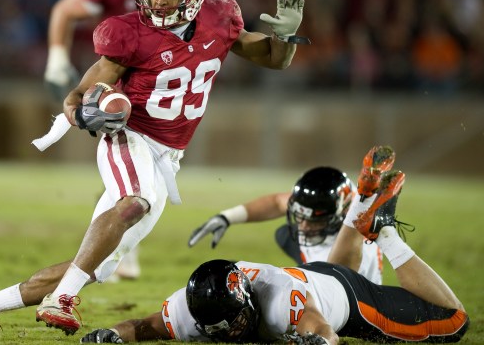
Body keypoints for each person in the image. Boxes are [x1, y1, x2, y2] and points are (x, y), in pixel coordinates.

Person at [0, 0, 310, 341]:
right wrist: (85, 116)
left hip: (168, 155)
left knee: (100, 263)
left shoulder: (220, 17)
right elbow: (75, 98)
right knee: (136, 199)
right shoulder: (130, 33)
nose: (159, 1)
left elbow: (274, 59)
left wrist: (285, 36)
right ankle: (63, 299)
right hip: (128, 135)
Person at [79, 146, 470, 344]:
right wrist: (110, 334)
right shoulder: (190, 306)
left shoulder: (283, 304)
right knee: (318, 256)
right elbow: (142, 327)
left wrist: (316, 340)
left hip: (348, 299)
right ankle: (363, 207)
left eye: (233, 323)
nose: (230, 335)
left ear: (247, 300)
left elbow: (325, 333)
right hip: (319, 271)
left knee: (454, 322)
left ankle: (385, 233)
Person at [43, 0, 218, 281]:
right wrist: (57, 60)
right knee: (133, 185)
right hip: (117, 73)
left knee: (132, 187)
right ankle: (98, 260)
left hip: (161, 75)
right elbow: (64, 10)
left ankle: (106, 254)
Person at [188, 163, 385, 284]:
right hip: (328, 266)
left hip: (344, 290)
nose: (303, 227)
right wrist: (227, 217)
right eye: (301, 217)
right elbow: (277, 202)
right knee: (284, 233)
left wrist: (245, 273)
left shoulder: (350, 249)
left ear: (340, 214)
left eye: (313, 221)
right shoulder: (338, 204)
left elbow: (328, 290)